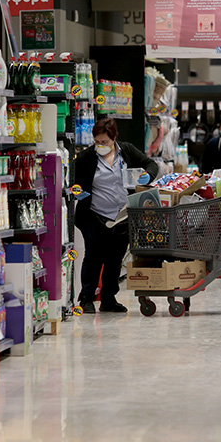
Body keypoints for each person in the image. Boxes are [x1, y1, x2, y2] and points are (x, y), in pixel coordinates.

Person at [74, 117, 159, 314]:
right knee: (93, 256)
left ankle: (108, 299)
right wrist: (78, 191)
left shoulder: (127, 151)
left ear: (114, 138)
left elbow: (150, 163)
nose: (100, 146)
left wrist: (148, 175)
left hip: (121, 216)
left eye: (104, 142)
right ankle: (86, 298)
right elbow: (74, 181)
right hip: (94, 215)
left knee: (115, 257)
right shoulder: (87, 157)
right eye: (97, 142)